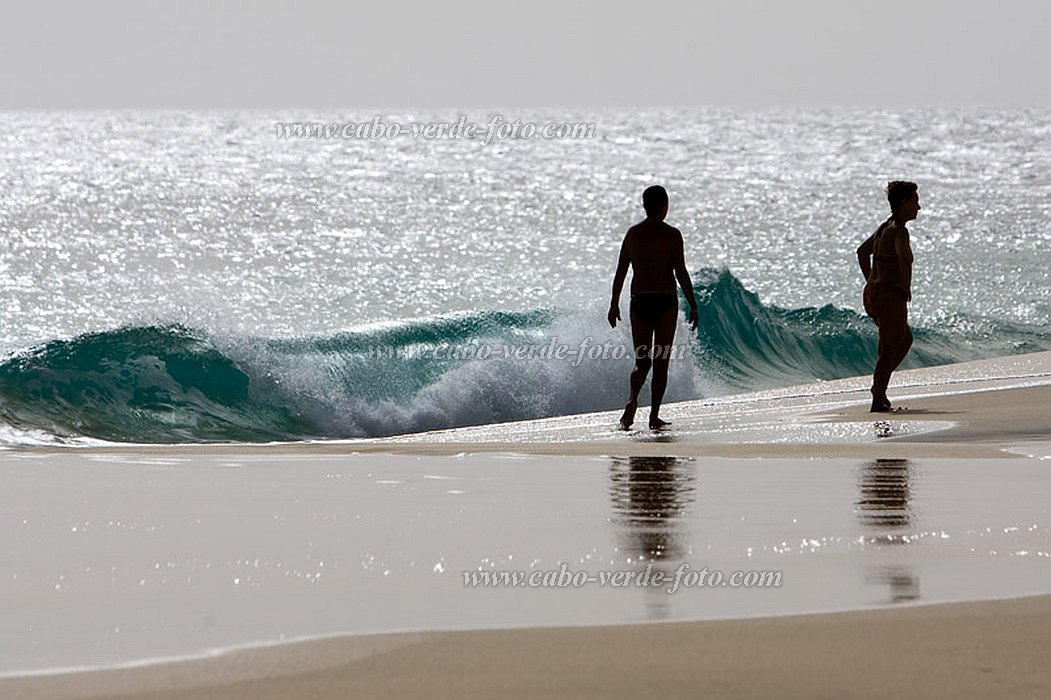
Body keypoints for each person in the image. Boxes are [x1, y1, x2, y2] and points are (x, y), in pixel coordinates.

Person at [608, 186, 698, 430]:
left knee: (642, 362)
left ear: (645, 205)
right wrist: (693, 304)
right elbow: (680, 271)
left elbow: (621, 272)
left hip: (640, 300)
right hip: (665, 301)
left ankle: (632, 401)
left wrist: (614, 303)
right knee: (661, 362)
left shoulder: (633, 234)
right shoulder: (672, 235)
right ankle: (654, 416)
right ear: (663, 206)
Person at [856, 181, 920, 412]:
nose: (918, 207)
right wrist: (905, 286)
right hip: (892, 293)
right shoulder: (899, 231)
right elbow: (903, 258)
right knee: (890, 348)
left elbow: (862, 252)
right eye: (915, 201)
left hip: (875, 293)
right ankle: (877, 397)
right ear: (904, 203)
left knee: (903, 340)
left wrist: (871, 280)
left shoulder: (884, 228)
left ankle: (879, 389)